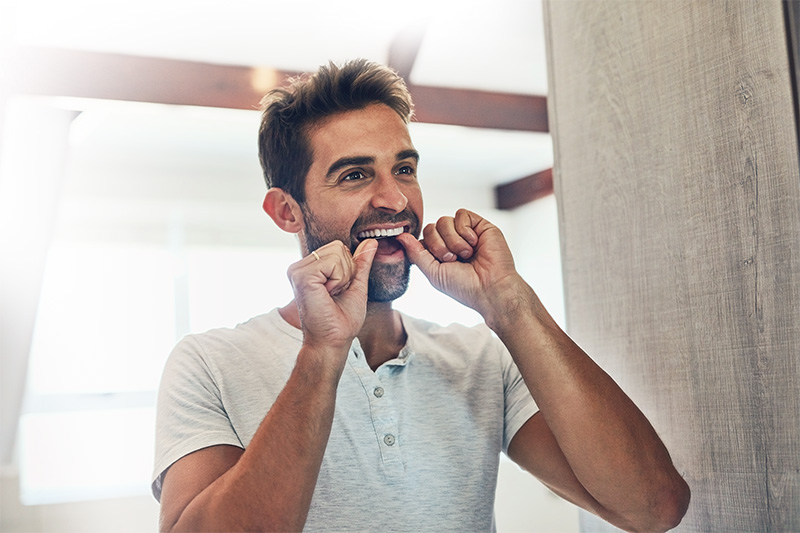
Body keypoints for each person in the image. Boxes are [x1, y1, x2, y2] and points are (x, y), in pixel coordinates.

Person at [152, 58, 690, 532]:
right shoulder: (207, 363)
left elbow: (652, 507)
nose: (395, 199)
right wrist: (322, 354)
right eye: (355, 174)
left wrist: (510, 303)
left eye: (404, 169)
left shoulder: (481, 357)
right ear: (287, 211)